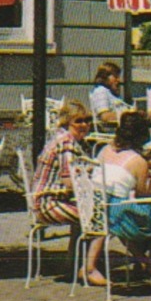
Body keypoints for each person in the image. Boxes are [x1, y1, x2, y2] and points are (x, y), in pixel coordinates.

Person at [81, 111, 151, 287]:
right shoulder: (138, 161)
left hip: (95, 206)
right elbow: (141, 194)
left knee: (142, 211)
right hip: (116, 213)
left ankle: (149, 264)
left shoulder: (104, 149)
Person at [31, 100, 92, 276]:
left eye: (87, 121)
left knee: (87, 212)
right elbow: (69, 181)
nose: (84, 125)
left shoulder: (66, 139)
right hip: (48, 203)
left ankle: (73, 264)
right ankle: (87, 267)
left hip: (51, 199)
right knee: (95, 217)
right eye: (78, 121)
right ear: (67, 122)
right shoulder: (67, 143)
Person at [89, 61, 131, 128]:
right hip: (111, 133)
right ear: (105, 77)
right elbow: (105, 116)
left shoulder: (113, 94)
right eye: (115, 76)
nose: (119, 80)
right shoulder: (100, 91)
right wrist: (128, 117)